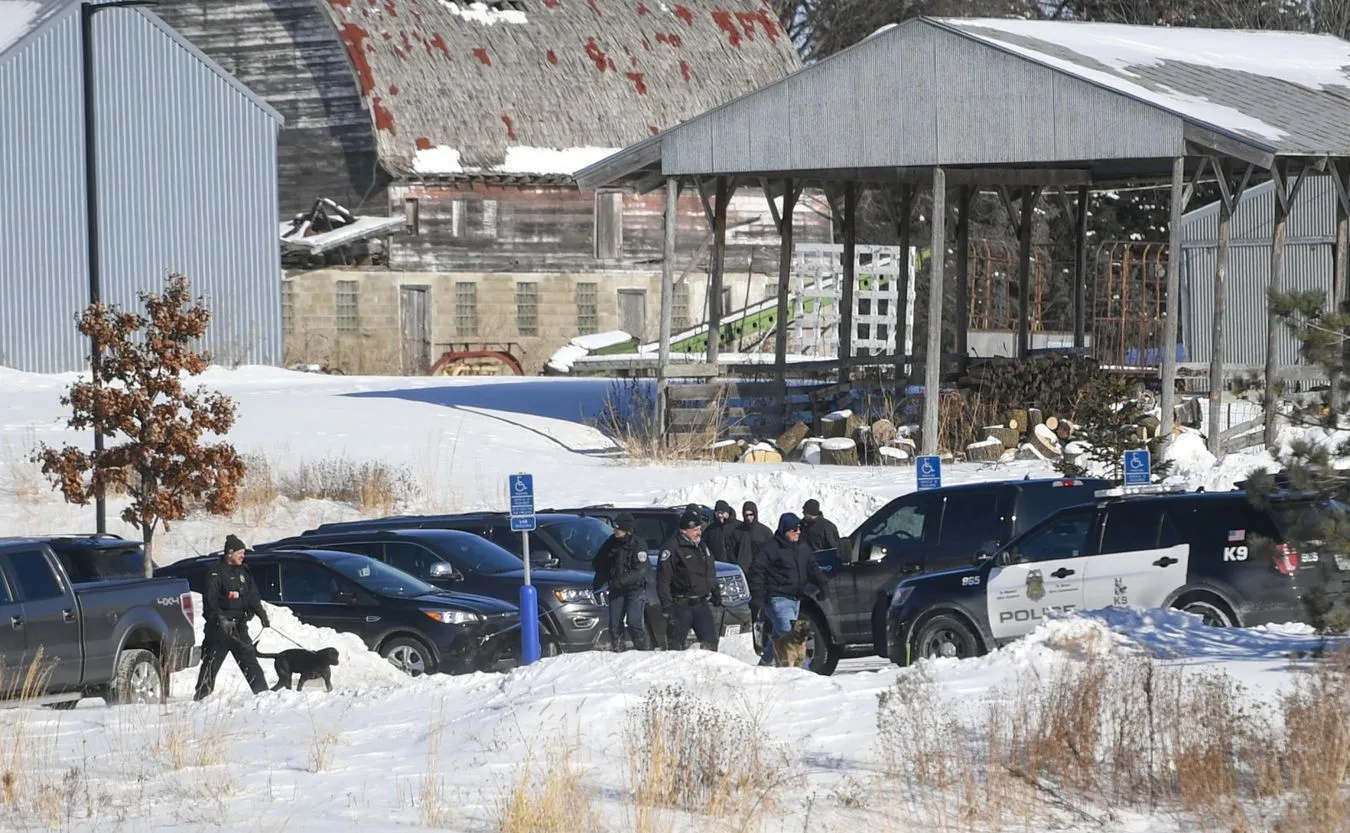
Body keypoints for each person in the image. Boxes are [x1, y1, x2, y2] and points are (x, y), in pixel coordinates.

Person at [193, 534, 271, 700]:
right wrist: (220, 618)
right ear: (229, 553)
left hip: (239, 626)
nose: (243, 556)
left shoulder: (244, 572)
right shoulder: (216, 572)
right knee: (211, 664)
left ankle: (264, 697)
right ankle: (201, 698)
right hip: (220, 628)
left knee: (250, 661)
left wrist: (261, 614)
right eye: (239, 553)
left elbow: (253, 596)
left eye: (243, 552)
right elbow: (210, 600)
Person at [749, 513, 831, 667]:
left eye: (799, 529)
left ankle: (763, 668)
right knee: (791, 636)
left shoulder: (802, 547)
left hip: (795, 599)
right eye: (794, 530)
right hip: (777, 599)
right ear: (785, 530)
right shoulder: (771, 548)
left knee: (779, 638)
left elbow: (812, 567)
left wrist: (822, 584)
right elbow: (757, 571)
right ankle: (800, 672)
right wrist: (757, 598)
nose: (798, 532)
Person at [657, 509, 722, 651]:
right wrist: (667, 607)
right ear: (684, 531)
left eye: (699, 529)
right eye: (695, 530)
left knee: (711, 644)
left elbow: (709, 571)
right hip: (681, 605)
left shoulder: (701, 546)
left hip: (701, 603)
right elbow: (663, 581)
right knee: (675, 646)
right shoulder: (672, 548)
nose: (699, 533)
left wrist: (715, 590)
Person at [592, 513, 650, 651]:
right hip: (616, 590)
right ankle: (618, 651)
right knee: (614, 625)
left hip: (634, 589)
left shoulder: (638, 544)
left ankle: (642, 651)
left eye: (618, 529)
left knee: (634, 623)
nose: (615, 531)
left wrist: (619, 581)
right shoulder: (611, 543)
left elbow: (640, 571)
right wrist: (599, 583)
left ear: (627, 530)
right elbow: (599, 564)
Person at [730, 501, 774, 622]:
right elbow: (731, 553)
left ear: (755, 514)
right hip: (742, 574)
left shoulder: (765, 532)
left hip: (760, 575)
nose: (749, 518)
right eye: (746, 515)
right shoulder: (737, 532)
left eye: (751, 514)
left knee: (760, 606)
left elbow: (772, 554)